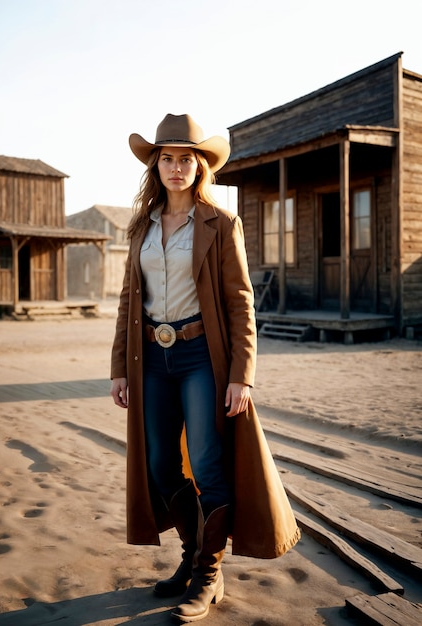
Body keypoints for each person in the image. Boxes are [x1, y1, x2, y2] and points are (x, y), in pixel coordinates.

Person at [110, 113, 300, 623]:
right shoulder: (139, 227)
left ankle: (208, 576)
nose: (176, 167)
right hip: (150, 356)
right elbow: (130, 299)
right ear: (156, 166)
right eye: (167, 158)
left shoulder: (222, 223)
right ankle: (191, 557)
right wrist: (118, 369)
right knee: (158, 464)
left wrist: (243, 373)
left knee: (207, 460)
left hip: (201, 357)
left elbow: (241, 302)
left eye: (186, 159)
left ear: (200, 167)